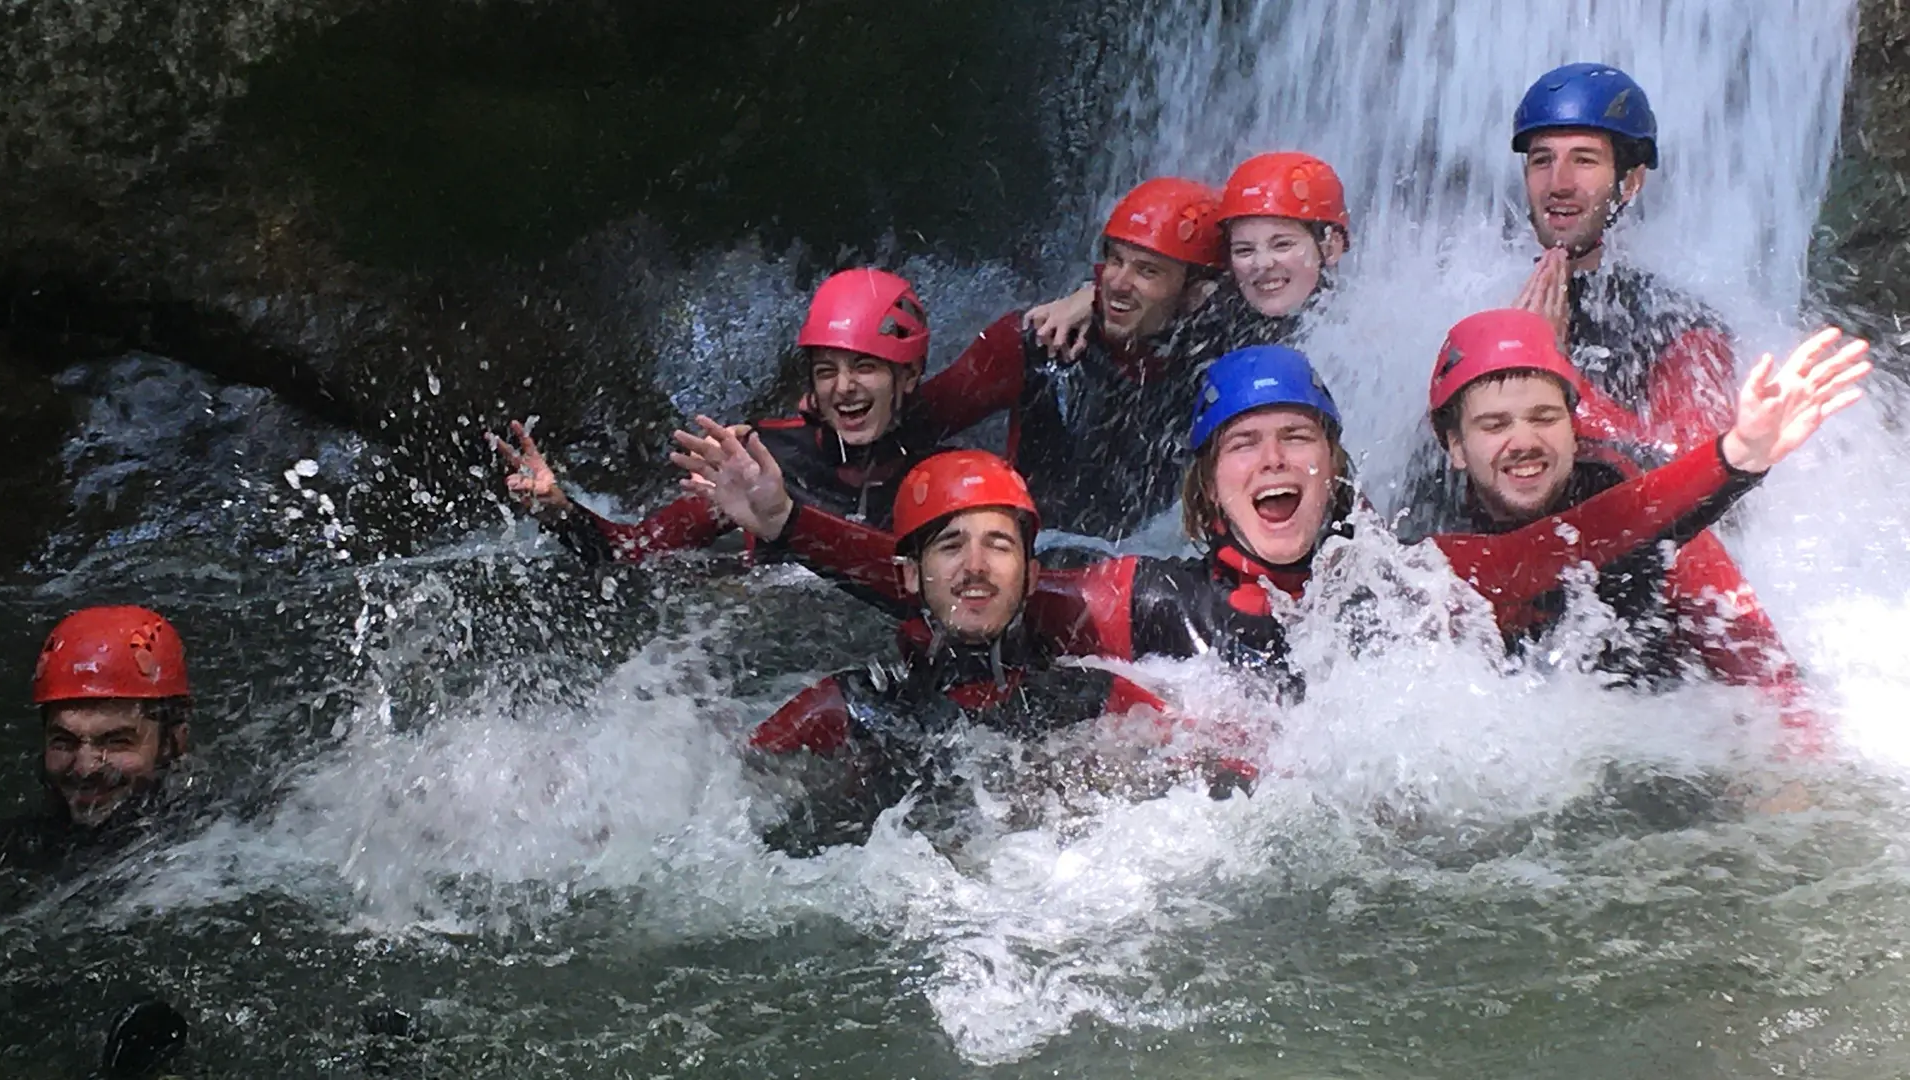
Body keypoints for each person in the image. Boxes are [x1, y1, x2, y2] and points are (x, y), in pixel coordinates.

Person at [676, 329, 1867, 702]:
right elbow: (956, 584)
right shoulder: (1140, 601)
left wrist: (1735, 457)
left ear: (1336, 468)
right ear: (1207, 490)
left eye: (1298, 438)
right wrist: (789, 526)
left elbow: (1588, 539)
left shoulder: (1425, 575)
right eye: (1246, 445)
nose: (1275, 458)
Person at [745, 451, 1247, 852]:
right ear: (909, 574)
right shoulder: (851, 709)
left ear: (1030, 576)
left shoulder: (1092, 699)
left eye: (999, 545)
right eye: (950, 545)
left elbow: (1223, 774)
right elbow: (732, 812)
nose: (975, 566)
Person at [1426, 309, 1819, 737]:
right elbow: (1519, 561)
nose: (1523, 442)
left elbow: (1751, 649)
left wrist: (1797, 749)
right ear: (1456, 448)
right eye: (1495, 425)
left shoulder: (1635, 488)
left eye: (1544, 418)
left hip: (1656, 719)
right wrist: (1732, 458)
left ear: (1574, 429)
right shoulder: (1426, 518)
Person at [490, 267, 934, 567]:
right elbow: (631, 551)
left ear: (909, 374)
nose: (843, 387)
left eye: (865, 367)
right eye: (826, 372)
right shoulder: (762, 458)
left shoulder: (938, 474)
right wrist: (560, 510)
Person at [908, 178, 1224, 539]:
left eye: (1147, 270)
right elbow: (911, 428)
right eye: (1115, 260)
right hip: (1029, 563)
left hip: (1140, 575)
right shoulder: (1036, 341)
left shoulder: (1216, 366)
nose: (1118, 283)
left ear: (1197, 292)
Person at [1510, 62, 1737, 452]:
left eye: (1584, 160)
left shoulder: (1679, 328)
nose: (1559, 184)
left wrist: (1550, 370)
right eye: (1542, 160)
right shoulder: (1485, 313)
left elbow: (1695, 474)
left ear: (1630, 182)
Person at [1029, 152, 1352, 368]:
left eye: (1282, 244)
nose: (1262, 264)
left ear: (1331, 247)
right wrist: (1092, 294)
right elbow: (1148, 297)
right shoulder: (1217, 318)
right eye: (1244, 250)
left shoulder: (1359, 332)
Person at [0, 606, 197, 880]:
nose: (85, 768)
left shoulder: (219, 841)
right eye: (64, 742)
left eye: (116, 742)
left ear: (173, 743)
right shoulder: (12, 852)